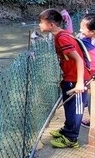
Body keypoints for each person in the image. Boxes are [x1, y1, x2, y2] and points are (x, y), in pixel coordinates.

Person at [38, 8, 89, 148]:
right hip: (69, 77)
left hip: (77, 79)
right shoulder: (61, 35)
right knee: (69, 107)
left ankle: (72, 139)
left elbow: (78, 60)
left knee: (76, 110)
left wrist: (79, 83)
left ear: (51, 25)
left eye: (41, 22)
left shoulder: (62, 38)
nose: (39, 25)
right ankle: (67, 131)